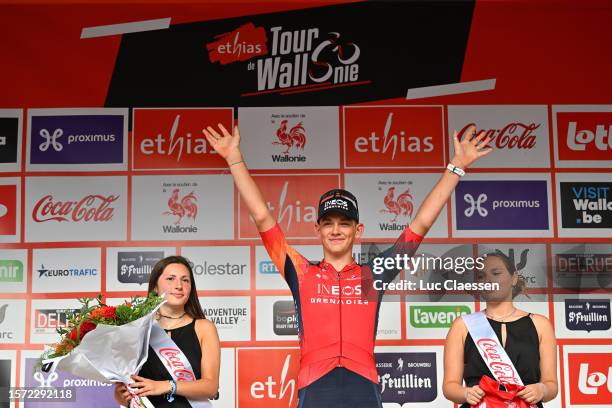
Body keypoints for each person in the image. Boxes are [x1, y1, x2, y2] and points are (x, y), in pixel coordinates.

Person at [203, 123, 491, 407]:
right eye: (328, 223)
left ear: (358, 230)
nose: (336, 230)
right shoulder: (303, 272)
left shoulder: (373, 275)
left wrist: (456, 166)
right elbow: (263, 219)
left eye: (344, 223)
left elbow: (421, 225)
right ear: (317, 229)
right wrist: (234, 159)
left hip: (363, 385)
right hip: (314, 386)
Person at [443, 251, 558, 407]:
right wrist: (465, 393)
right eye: (481, 276)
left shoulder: (540, 324)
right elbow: (449, 386)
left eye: (496, 273)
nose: (488, 280)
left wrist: (542, 390)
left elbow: (551, 385)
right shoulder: (462, 325)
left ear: (514, 278)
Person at [114, 256, 220, 407]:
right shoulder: (137, 328)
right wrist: (122, 395)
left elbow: (211, 387)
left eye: (185, 280)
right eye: (170, 279)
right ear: (155, 286)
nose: (179, 285)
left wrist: (166, 386)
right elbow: (121, 393)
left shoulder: (204, 328)